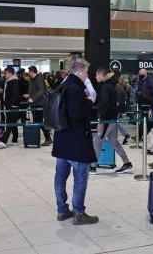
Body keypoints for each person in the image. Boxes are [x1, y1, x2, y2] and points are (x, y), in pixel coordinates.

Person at [52, 59, 99, 225]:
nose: (87, 75)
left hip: (61, 139)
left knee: (60, 177)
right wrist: (89, 101)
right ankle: (79, 213)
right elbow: (77, 114)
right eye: (86, 72)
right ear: (80, 72)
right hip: (76, 141)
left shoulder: (62, 85)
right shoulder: (76, 88)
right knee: (80, 177)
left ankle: (62, 210)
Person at [90, 68, 133, 174]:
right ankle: (127, 163)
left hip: (108, 119)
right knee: (113, 141)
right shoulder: (111, 85)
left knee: (97, 140)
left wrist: (101, 121)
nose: (95, 77)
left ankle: (92, 166)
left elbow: (105, 105)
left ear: (101, 75)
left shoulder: (106, 86)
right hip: (112, 118)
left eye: (96, 75)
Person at [27, 66, 53, 146]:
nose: (28, 73)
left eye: (29, 72)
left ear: (32, 72)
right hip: (34, 103)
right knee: (36, 121)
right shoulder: (31, 79)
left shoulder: (39, 78)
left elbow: (41, 90)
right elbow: (33, 90)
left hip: (39, 103)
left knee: (39, 121)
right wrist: (29, 95)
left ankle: (48, 138)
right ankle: (38, 138)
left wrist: (33, 98)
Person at [0, 67, 20, 149]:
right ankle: (15, 140)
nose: (4, 75)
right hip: (10, 105)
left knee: (9, 123)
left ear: (10, 73)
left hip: (12, 106)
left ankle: (4, 141)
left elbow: (14, 94)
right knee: (13, 123)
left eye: (5, 73)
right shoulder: (9, 81)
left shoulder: (14, 82)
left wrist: (8, 104)